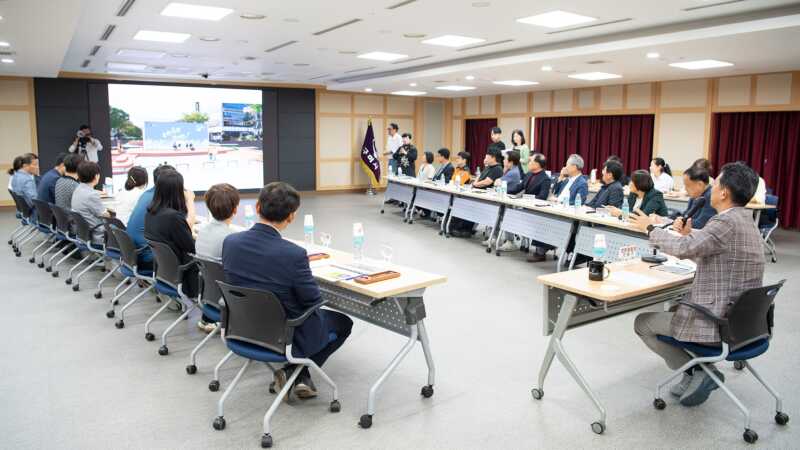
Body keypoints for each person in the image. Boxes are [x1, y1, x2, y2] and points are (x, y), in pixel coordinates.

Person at [631, 162, 765, 407]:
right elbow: (713, 252)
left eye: (715, 184)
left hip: (718, 322)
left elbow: (683, 250)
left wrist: (649, 228)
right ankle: (699, 371)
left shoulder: (724, 222)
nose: (711, 188)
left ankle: (699, 372)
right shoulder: (746, 221)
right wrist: (686, 237)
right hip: (745, 324)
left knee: (643, 323)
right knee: (674, 310)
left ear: (724, 192)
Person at [222, 182, 353, 399]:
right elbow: (312, 301)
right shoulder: (293, 255)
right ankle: (295, 372)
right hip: (283, 334)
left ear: (257, 207)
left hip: (243, 327)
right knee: (343, 323)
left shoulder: (231, 242)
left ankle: (296, 374)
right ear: (291, 216)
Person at [127, 164, 195, 272]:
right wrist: (190, 201)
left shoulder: (152, 205)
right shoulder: (168, 213)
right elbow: (190, 247)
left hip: (139, 254)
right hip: (154, 260)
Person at [143, 170, 199, 299]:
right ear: (177, 191)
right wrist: (190, 201)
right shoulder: (173, 217)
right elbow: (191, 247)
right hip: (184, 275)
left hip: (165, 272)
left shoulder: (150, 212)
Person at [195, 183, 240, 333]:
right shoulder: (231, 239)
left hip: (210, 295)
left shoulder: (201, 232)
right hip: (230, 299)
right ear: (235, 209)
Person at [71, 161, 109, 246]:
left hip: (83, 233)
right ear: (96, 176)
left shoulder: (78, 189)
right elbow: (105, 215)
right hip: (97, 235)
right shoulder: (92, 195)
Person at [673, 164, 716, 231]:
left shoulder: (711, 197)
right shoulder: (695, 195)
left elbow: (701, 224)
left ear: (700, 184)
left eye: (687, 185)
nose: (685, 189)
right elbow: (686, 215)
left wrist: (681, 222)